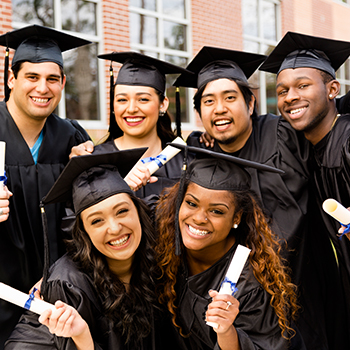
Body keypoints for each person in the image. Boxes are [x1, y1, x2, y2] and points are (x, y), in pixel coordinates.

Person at [5, 149, 176, 350]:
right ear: (83, 232)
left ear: (140, 212)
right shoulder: (69, 286)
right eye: (97, 221)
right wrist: (83, 339)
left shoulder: (158, 253)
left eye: (122, 211)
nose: (114, 228)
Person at [155, 145, 301, 350]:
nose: (199, 218)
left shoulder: (250, 285)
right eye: (191, 203)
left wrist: (227, 332)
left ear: (237, 218)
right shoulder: (165, 242)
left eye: (216, 211)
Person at [0, 24, 91, 348]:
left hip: (59, 297)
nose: (43, 87)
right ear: (11, 80)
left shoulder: (72, 137)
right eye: (32, 77)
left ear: (63, 83)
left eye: (52, 79)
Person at [259, 32, 350, 349]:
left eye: (302, 85)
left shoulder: (348, 141)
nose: (290, 97)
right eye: (282, 90)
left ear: (332, 89)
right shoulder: (311, 151)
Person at [71, 52, 193, 198]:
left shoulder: (187, 162)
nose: (131, 109)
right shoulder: (95, 161)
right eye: (122, 100)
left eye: (143, 99)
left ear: (163, 104)